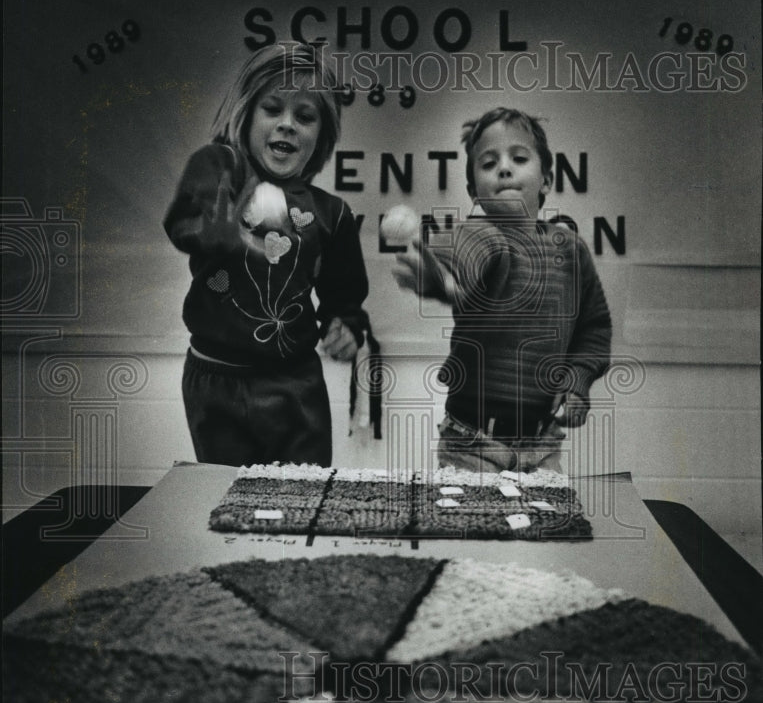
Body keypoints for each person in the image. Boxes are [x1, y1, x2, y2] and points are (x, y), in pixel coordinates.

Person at [164, 42, 369, 467]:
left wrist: (345, 326)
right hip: (215, 380)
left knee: (301, 503)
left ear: (321, 135)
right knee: (226, 505)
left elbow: (343, 297)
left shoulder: (333, 213)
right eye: (272, 109)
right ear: (247, 115)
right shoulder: (218, 168)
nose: (287, 125)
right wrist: (237, 232)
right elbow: (185, 223)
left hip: (295, 385)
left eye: (305, 116)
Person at [392, 107, 611, 473]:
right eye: (489, 163)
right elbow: (460, 260)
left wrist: (577, 384)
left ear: (546, 180)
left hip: (544, 443)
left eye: (519, 158)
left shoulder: (571, 249)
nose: (504, 169)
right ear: (473, 190)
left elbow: (595, 327)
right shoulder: (476, 234)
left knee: (544, 528)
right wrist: (441, 280)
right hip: (471, 444)